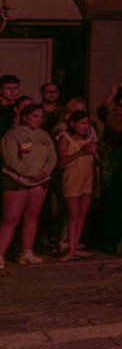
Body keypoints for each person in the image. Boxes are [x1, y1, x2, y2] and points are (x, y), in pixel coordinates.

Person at [0, 104, 57, 266]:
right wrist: (30, 173)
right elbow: (11, 159)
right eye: (34, 116)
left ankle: (27, 251)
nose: (38, 120)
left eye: (40, 117)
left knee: (32, 216)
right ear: (25, 117)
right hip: (17, 180)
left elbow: (52, 156)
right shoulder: (12, 135)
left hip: (39, 181)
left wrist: (44, 172)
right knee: (11, 218)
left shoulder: (44, 135)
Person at [57, 109, 97, 260]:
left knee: (82, 214)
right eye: (82, 123)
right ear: (73, 124)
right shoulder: (65, 139)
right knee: (73, 215)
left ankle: (75, 246)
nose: (85, 126)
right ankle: (70, 249)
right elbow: (61, 163)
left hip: (87, 178)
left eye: (87, 123)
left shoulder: (88, 139)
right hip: (72, 179)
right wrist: (80, 152)